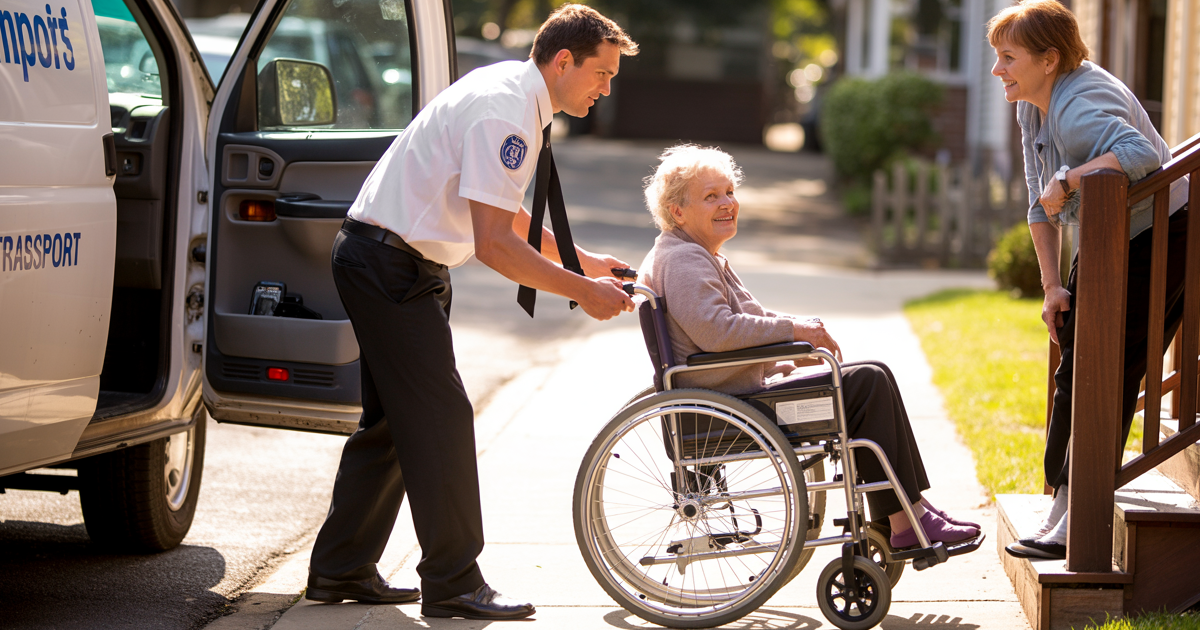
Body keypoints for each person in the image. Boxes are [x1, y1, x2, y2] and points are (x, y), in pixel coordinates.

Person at [304, 5, 638, 621]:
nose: (606, 88)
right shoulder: (506, 111)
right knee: (441, 419)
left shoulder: (513, 94)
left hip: (399, 262)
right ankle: (454, 581)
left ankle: (340, 567)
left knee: (394, 425)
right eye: (602, 73)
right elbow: (494, 245)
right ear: (563, 61)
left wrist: (584, 261)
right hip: (390, 266)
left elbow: (502, 215)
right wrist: (580, 290)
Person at [638, 144, 981, 550]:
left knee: (872, 376)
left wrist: (787, 348)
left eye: (729, 191)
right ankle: (908, 519)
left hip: (731, 398)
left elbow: (740, 324)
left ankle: (909, 512)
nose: (728, 203)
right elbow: (716, 332)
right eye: (711, 196)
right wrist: (793, 332)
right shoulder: (683, 261)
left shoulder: (693, 253)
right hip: (729, 409)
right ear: (678, 211)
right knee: (866, 383)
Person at [986, 0, 1190, 561]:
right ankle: (1064, 499)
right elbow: (1039, 202)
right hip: (1112, 233)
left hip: (1163, 230)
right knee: (1077, 363)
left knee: (1108, 364)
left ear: (1049, 59)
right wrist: (1052, 285)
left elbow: (1141, 154)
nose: (998, 70)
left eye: (1008, 58)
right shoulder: (1034, 103)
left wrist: (1068, 178)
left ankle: (1079, 509)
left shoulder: (1076, 105)